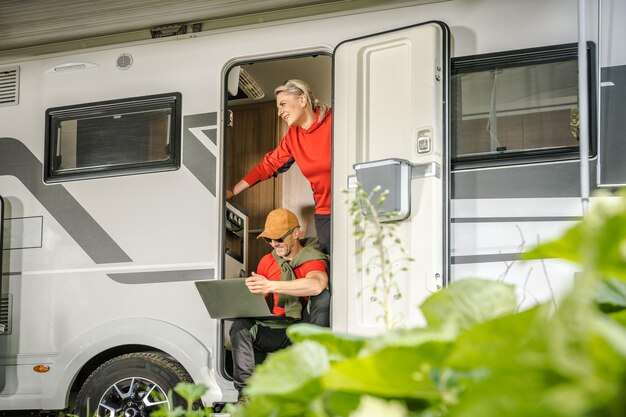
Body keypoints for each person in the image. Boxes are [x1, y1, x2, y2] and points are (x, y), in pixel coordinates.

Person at [229, 208, 329, 399]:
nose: (274, 244)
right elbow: (260, 301)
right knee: (240, 326)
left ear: (296, 233)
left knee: (323, 298)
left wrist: (272, 285)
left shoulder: (311, 257)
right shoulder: (267, 261)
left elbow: (317, 285)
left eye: (279, 238)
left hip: (303, 329)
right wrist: (256, 293)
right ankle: (246, 395)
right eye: (269, 239)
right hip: (278, 328)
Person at [226, 79, 332, 255]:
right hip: (325, 212)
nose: (280, 112)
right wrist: (232, 191)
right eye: (278, 108)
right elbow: (266, 166)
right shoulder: (293, 138)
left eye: (283, 104)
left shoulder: (333, 122)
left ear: (303, 100)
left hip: (353, 204)